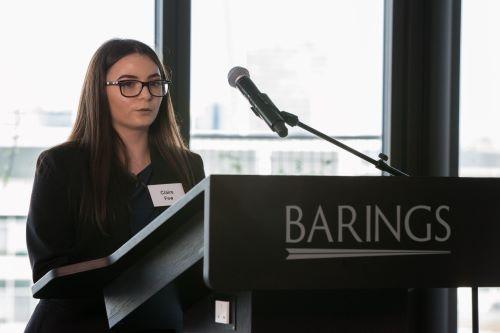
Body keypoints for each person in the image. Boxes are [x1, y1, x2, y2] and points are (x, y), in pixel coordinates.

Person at [24, 38, 205, 332]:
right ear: (100, 92)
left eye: (154, 83)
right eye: (128, 84)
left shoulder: (186, 166)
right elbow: (47, 271)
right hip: (79, 325)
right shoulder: (61, 165)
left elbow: (197, 253)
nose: (145, 95)